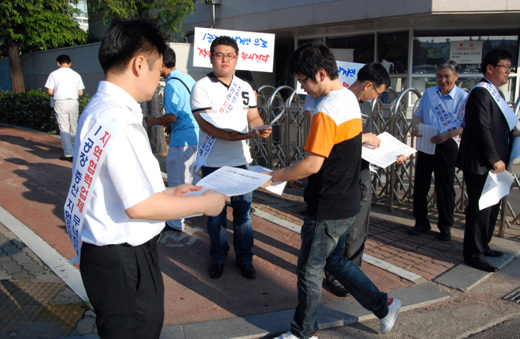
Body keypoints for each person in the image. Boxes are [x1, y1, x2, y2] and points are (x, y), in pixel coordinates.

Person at [64, 19, 227, 338]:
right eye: (157, 70)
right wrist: (205, 203)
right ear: (140, 64)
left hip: (106, 254)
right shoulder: (121, 120)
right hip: (123, 257)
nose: (159, 79)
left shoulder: (99, 108)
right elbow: (138, 206)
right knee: (139, 327)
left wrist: (171, 191)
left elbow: (119, 187)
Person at [262, 42, 400, 339]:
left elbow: (312, 163)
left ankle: (303, 333)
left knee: (310, 270)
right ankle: (384, 305)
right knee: (335, 261)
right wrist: (303, 177)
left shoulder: (325, 109)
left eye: (303, 81)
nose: (302, 88)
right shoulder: (349, 99)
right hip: (347, 200)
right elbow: (335, 155)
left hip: (327, 206)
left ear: (320, 74)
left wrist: (275, 176)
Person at [191, 36, 272, 280]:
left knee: (243, 214)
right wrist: (240, 136)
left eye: (230, 55)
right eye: (219, 54)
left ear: (237, 58)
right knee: (215, 215)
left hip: (241, 160)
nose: (224, 59)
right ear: (211, 57)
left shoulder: (245, 86)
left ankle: (245, 259)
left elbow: (254, 117)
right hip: (212, 162)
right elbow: (206, 125)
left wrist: (261, 127)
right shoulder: (201, 86)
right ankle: (218, 258)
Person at [323, 63, 408, 297]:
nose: (377, 98)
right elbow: (332, 140)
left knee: (359, 229)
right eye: (378, 93)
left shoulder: (366, 107)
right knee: (338, 231)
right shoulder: (336, 102)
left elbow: (370, 140)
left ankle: (353, 275)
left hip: (362, 174)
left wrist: (391, 153)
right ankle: (335, 275)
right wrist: (363, 138)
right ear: (368, 85)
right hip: (342, 177)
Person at [456, 49, 520, 272]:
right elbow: (482, 128)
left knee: (492, 206)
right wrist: (494, 159)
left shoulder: (496, 93)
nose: (508, 72)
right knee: (480, 208)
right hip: (482, 163)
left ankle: (484, 245)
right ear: (490, 68)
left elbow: (500, 125)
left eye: (510, 68)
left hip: (496, 163)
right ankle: (473, 253)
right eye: (505, 67)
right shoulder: (480, 93)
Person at [408, 60, 468, 241]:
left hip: (447, 144)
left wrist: (448, 135)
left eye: (447, 76)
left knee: (444, 187)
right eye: (439, 76)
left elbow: (465, 126)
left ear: (456, 77)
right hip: (427, 141)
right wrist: (416, 126)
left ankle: (445, 226)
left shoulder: (463, 97)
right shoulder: (429, 93)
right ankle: (421, 222)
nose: (443, 80)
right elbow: (418, 113)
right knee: (420, 184)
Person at [145, 46, 199, 232]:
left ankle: (175, 223)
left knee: (177, 182)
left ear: (161, 65)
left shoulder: (170, 85)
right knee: (191, 177)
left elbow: (171, 117)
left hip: (182, 138)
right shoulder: (187, 78)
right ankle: (197, 207)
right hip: (198, 134)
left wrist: (153, 121)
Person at [45, 54, 85, 162]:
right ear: (70, 63)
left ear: (58, 63)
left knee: (64, 127)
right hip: (73, 102)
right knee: (74, 126)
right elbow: (80, 93)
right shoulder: (76, 75)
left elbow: (49, 91)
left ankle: (68, 153)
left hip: (60, 102)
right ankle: (76, 150)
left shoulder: (53, 74)